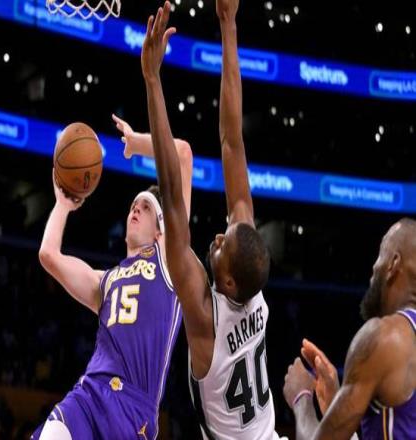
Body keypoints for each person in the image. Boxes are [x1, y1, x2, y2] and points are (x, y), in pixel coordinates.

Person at [141, 2, 280, 439]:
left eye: (221, 245)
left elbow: (172, 195)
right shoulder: (251, 287)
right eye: (227, 235)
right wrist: (228, 24)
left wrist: (152, 80)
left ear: (230, 282)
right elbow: (232, 142)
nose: (218, 237)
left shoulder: (207, 320)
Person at [31, 116, 193, 440]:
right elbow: (48, 255)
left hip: (132, 409)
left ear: (161, 229)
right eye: (134, 205)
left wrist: (136, 145)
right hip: (89, 393)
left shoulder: (169, 261)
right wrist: (62, 205)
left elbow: (183, 154)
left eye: (145, 207)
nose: (135, 209)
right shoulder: (105, 281)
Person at [283, 218, 416, 439]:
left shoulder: (385, 337)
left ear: (393, 264)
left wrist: (301, 397)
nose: (374, 267)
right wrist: (336, 403)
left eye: (380, 254)